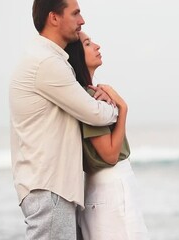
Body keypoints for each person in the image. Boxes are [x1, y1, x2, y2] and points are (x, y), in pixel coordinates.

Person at [9, 0, 118, 239]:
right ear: (54, 18)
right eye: (76, 13)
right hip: (50, 188)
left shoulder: (49, 60)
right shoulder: (46, 62)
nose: (82, 20)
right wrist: (116, 105)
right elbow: (94, 113)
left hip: (51, 188)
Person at [65, 32, 149, 240]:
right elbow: (110, 155)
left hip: (99, 188)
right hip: (111, 185)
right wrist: (122, 108)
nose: (97, 46)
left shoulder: (86, 95)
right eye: (87, 43)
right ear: (76, 55)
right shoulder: (89, 98)